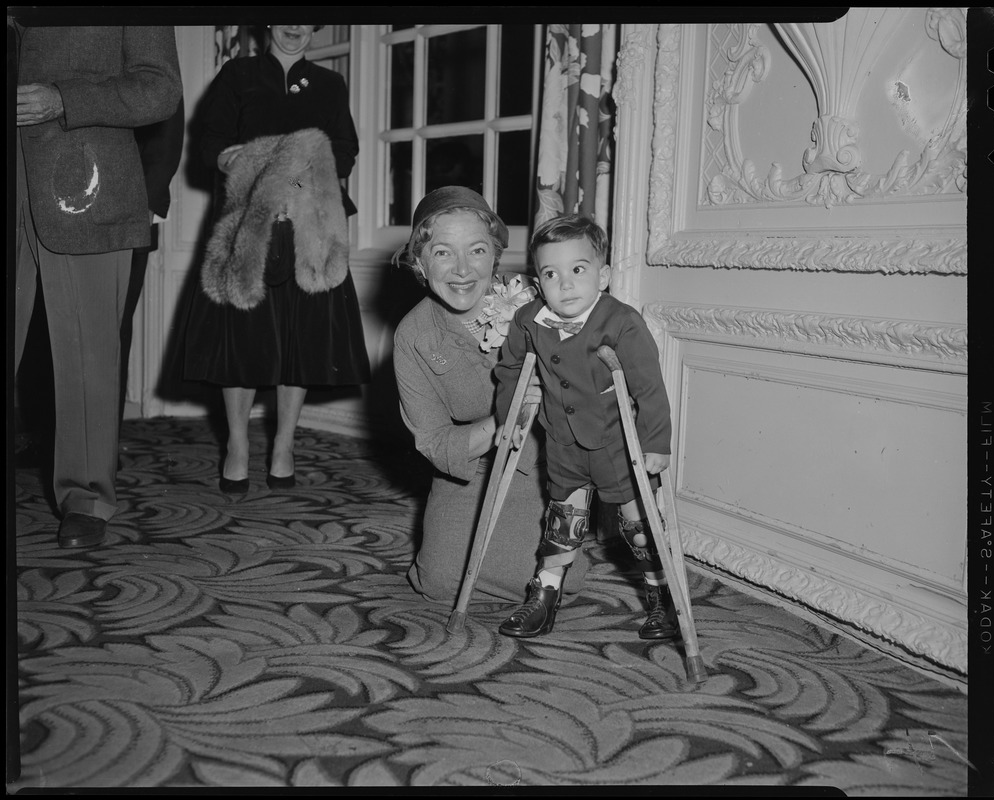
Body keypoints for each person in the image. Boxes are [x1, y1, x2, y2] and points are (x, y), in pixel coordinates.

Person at [13, 23, 183, 549]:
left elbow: (159, 88)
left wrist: (63, 99)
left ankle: (86, 497)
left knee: (87, 355)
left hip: (83, 183)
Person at [183, 24, 370, 493]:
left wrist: (300, 185)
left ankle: (284, 444)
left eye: (307, 18)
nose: (295, 26)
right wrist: (245, 167)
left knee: (300, 340)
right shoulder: (238, 74)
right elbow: (211, 144)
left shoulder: (329, 84)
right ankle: (238, 444)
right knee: (242, 339)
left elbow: (344, 150)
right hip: (249, 223)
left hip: (312, 227)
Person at [393, 186, 589, 604]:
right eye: (443, 252)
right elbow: (433, 441)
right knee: (440, 581)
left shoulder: (534, 304)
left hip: (540, 466)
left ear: (495, 256)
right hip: (471, 469)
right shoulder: (413, 335)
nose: (462, 270)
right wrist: (506, 416)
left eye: (477, 250)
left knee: (562, 584)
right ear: (420, 262)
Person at [493, 214, 680, 639]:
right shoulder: (529, 320)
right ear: (538, 283)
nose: (566, 284)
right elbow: (509, 371)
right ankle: (544, 593)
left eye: (578, 270)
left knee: (638, 527)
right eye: (551, 274)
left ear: (603, 275)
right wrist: (512, 417)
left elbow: (649, 387)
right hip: (562, 442)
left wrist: (656, 442)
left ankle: (659, 593)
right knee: (563, 522)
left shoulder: (623, 322)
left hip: (618, 445)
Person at [120, 98, 186, 426]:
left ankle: (101, 449)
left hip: (128, 219)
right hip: (60, 218)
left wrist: (140, 212)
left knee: (113, 329)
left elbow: (166, 138)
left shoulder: (146, 50)